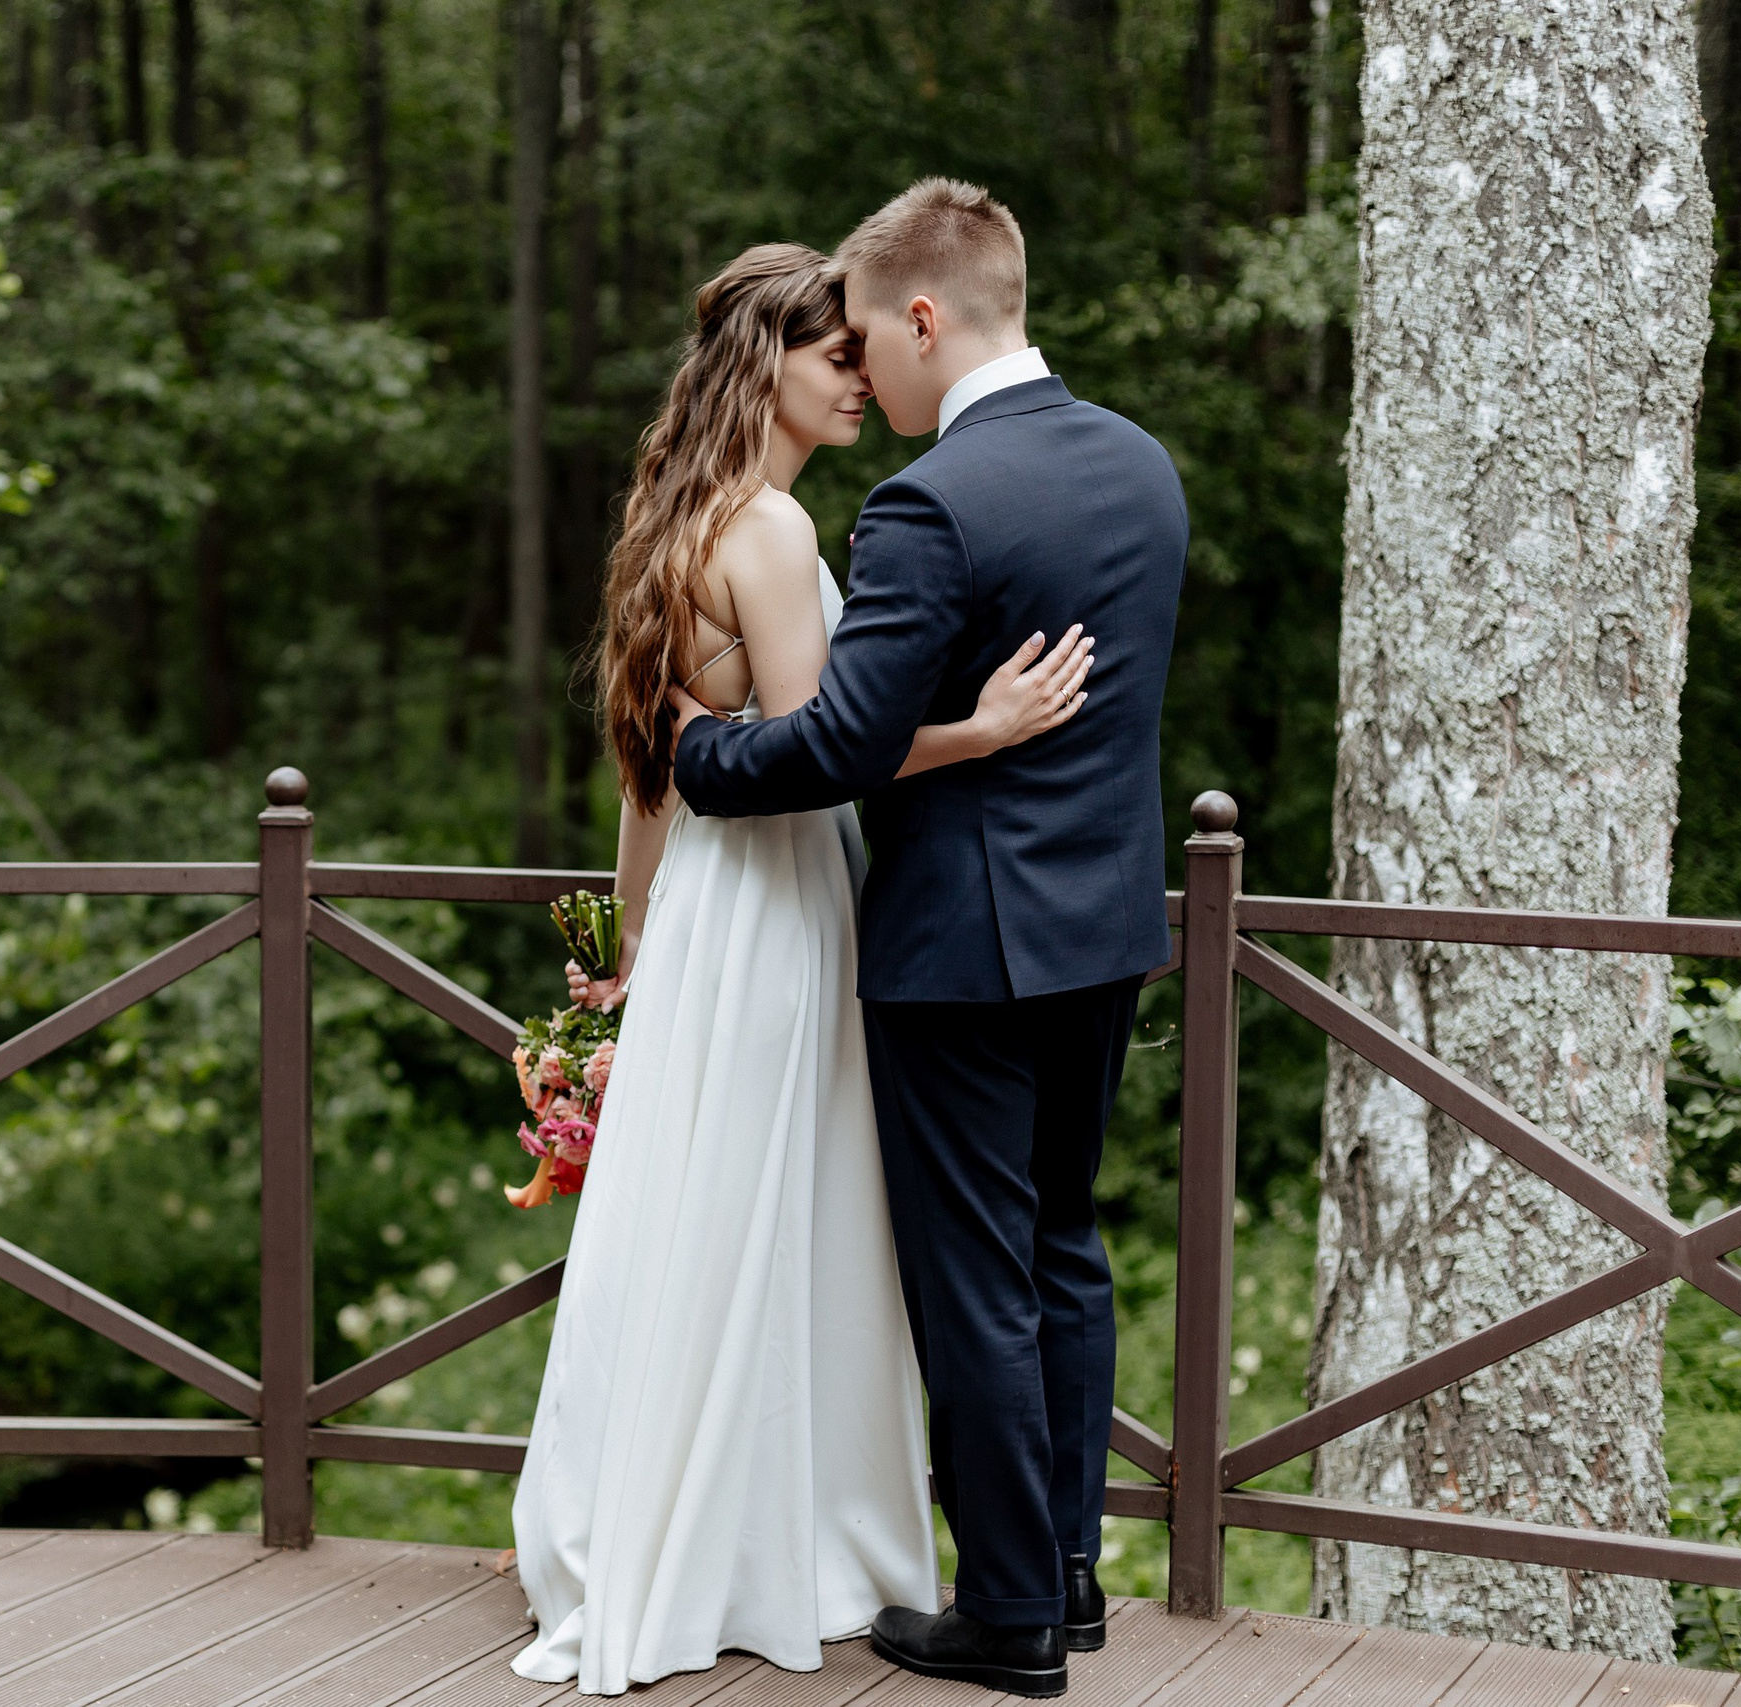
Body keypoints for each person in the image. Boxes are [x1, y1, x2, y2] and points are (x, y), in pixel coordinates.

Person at [509, 240, 1095, 1697]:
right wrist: (991, 729)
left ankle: (715, 1519)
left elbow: (649, 776)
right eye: (832, 354)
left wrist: (635, 935)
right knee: (784, 1204)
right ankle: (766, 1536)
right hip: (781, 905)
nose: (859, 376)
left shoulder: (678, 514)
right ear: (761, 361)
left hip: (714, 906)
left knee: (720, 1205)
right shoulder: (767, 532)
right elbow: (822, 751)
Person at [670, 181, 1187, 1700]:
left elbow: (833, 742)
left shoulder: (934, 503)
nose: (866, 383)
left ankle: (1010, 1613)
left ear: (921, 316)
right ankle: (1076, 1579)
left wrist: (690, 751)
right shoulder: (1141, 467)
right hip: (1101, 928)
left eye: (869, 346)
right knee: (1064, 1251)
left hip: (959, 945)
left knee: (973, 1278)